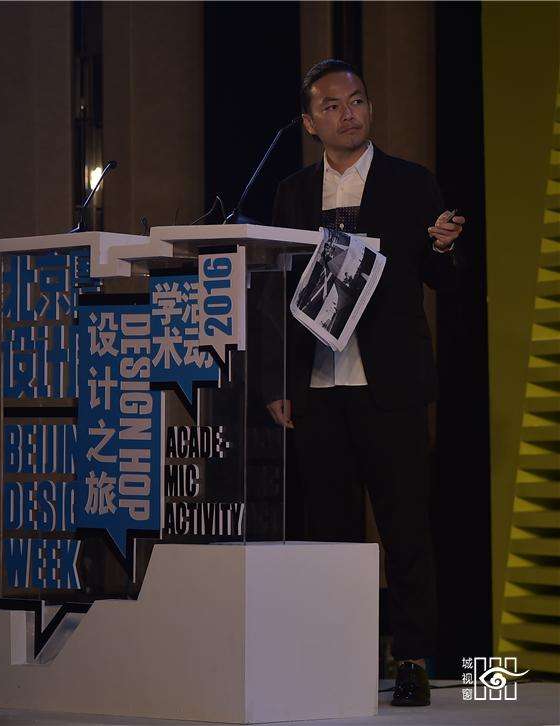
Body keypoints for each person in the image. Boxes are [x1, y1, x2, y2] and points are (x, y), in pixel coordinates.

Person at [265, 59, 465, 707]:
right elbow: (276, 295)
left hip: (390, 383)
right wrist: (278, 381)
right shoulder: (293, 192)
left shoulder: (411, 182)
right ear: (308, 122)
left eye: (356, 101)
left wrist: (442, 248)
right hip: (317, 387)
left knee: (405, 526)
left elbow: (442, 278)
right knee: (330, 530)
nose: (347, 114)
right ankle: (341, 654)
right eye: (331, 105)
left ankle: (412, 659)